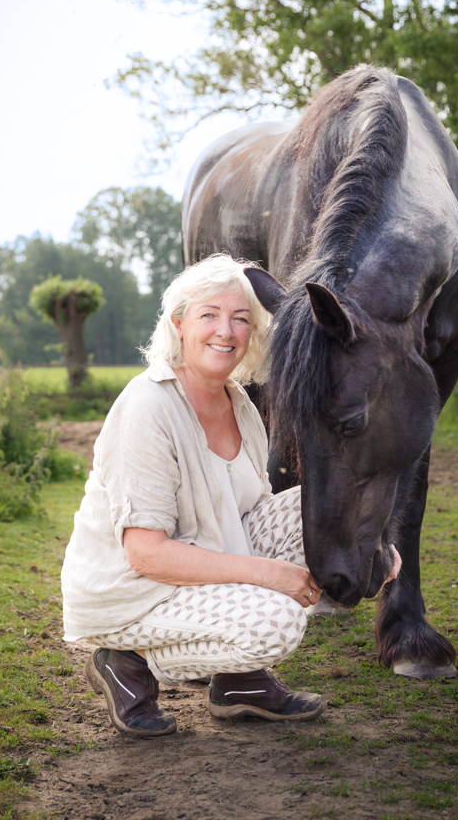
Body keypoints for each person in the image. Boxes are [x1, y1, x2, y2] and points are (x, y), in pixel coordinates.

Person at [61, 254, 326, 737]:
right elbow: (146, 554)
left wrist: (364, 543)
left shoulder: (241, 403)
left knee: (322, 513)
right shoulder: (148, 406)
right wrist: (270, 576)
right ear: (179, 323)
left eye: (240, 319)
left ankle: (239, 685)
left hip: (204, 559)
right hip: (136, 591)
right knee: (279, 623)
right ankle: (126, 661)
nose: (225, 331)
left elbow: (253, 511)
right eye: (209, 315)